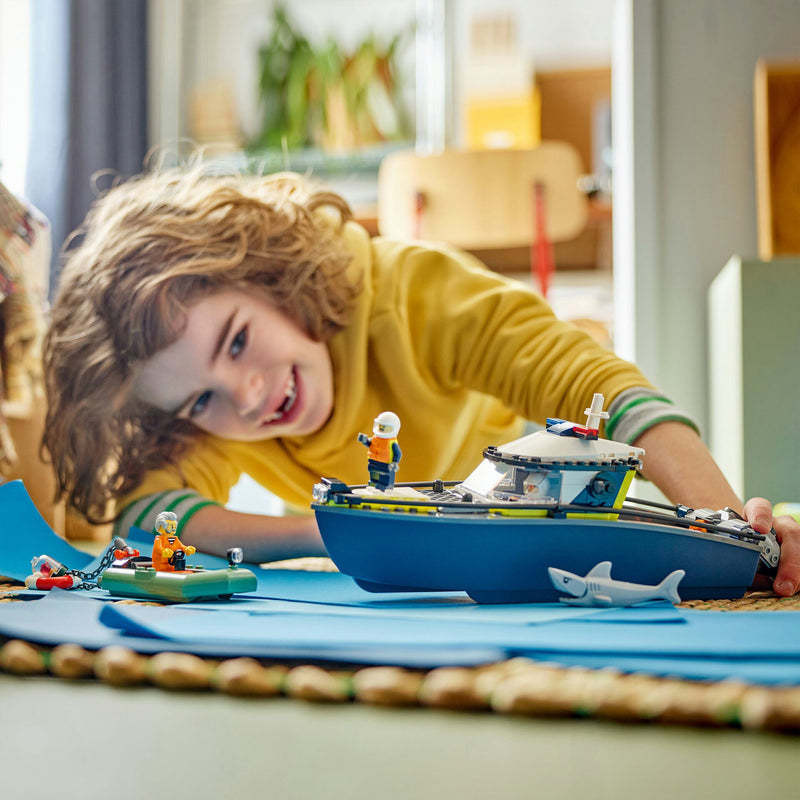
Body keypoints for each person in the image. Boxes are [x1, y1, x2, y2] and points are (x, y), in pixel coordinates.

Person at [42, 168, 800, 595]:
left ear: (272, 277)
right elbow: (149, 518)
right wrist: (337, 532)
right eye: (200, 398)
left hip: (535, 532)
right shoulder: (228, 410)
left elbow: (598, 385)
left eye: (238, 340)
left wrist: (735, 531)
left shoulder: (410, 296)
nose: (245, 394)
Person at [357, 411, 403, 490]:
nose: (382, 429)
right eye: (380, 426)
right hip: (373, 461)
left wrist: (395, 462)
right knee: (373, 472)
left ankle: (385, 486)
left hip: (386, 464)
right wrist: (364, 441)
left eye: (385, 428)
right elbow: (370, 444)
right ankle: (373, 483)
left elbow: (398, 453)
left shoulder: (391, 442)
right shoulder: (376, 438)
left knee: (384, 475)